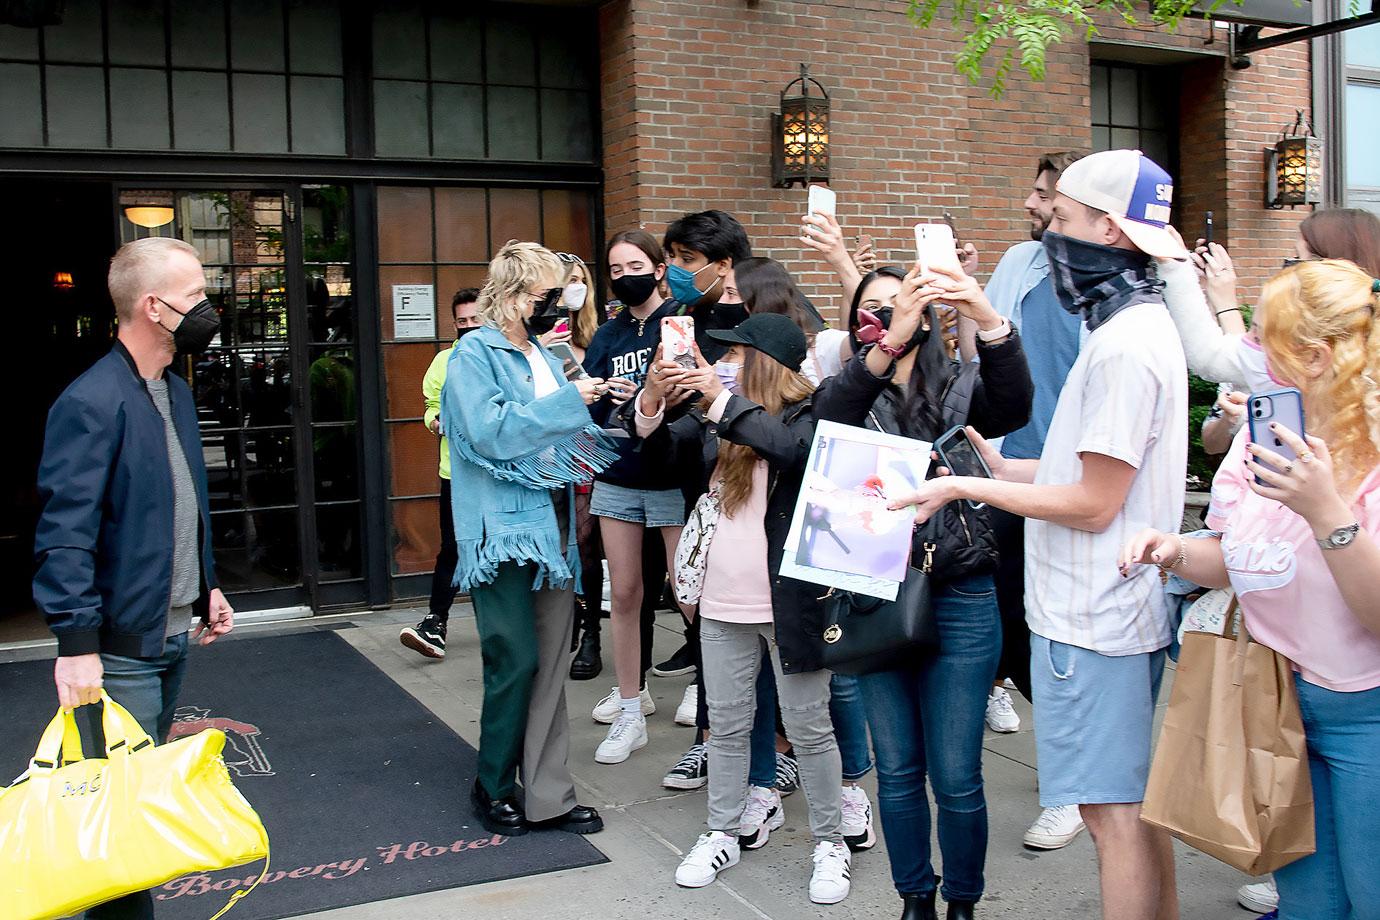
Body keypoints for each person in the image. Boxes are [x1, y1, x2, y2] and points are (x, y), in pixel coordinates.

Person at [888, 150, 1189, 920]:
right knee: (1127, 806)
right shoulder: (1132, 329)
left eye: (1060, 219)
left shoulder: (1124, 347)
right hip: (1107, 610)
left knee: (1108, 816)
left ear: (1110, 231)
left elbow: (1093, 503)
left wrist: (961, 483)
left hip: (1094, 616)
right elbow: (1081, 474)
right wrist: (1002, 465)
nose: (1048, 233)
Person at [1120, 260, 1380, 920]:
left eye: (1262, 337)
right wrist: (1176, 551)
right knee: (1308, 904)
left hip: (1367, 713)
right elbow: (1238, 560)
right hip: (1276, 698)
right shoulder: (1263, 437)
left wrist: (1327, 512)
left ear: (1317, 357)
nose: (1244, 350)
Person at [813, 261, 1033, 920]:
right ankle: (915, 896)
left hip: (961, 591)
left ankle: (962, 901)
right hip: (874, 595)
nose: (888, 314)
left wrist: (987, 317)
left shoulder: (961, 385)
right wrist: (888, 343)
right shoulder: (850, 388)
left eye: (902, 304)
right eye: (873, 309)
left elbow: (1017, 401)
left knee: (957, 773)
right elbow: (827, 418)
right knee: (899, 768)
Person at [34, 237, 236, 920]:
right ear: (154, 308)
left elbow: (178, 503)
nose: (208, 309)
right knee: (122, 832)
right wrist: (76, 644)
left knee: (139, 812)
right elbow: (64, 536)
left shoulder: (172, 390)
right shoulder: (91, 401)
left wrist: (205, 583)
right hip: (118, 653)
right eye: (196, 297)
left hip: (171, 633)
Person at [630, 312, 852, 905]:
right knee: (725, 725)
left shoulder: (809, 412)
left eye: (734, 356)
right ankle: (721, 829)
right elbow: (656, 455)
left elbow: (795, 453)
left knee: (809, 727)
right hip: (723, 599)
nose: (722, 363)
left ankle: (829, 842)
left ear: (764, 364)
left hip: (790, 602)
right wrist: (654, 396)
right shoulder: (714, 414)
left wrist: (720, 403)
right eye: (720, 356)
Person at [443, 241, 611, 837]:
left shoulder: (544, 350)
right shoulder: (474, 354)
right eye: (547, 296)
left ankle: (549, 795)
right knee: (514, 661)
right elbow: (490, 433)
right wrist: (571, 402)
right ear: (514, 297)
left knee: (547, 668)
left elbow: (567, 428)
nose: (557, 307)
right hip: (506, 532)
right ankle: (491, 784)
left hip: (557, 527)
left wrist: (602, 401)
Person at [971, 151, 1092, 850]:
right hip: (1007, 475)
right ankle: (1073, 770)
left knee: (1063, 640)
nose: (1030, 203)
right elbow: (979, 354)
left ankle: (1074, 787)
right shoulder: (1018, 262)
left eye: (1045, 195)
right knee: (1015, 628)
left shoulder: (1112, 292)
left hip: (1074, 485)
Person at [582, 229, 693, 764]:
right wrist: (605, 395)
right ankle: (631, 705)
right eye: (616, 269)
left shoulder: (681, 321)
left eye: (635, 265)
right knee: (624, 592)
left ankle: (709, 692)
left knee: (688, 589)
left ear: (658, 267)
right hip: (618, 471)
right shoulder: (608, 335)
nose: (625, 276)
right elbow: (591, 408)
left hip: (671, 472)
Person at [400, 288, 482, 660]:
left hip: (497, 474)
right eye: (462, 321)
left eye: (474, 320)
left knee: (491, 551)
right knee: (451, 548)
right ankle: (435, 624)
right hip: (455, 472)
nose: (468, 327)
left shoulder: (503, 358)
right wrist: (436, 422)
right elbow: (430, 407)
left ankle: (496, 625)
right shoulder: (444, 361)